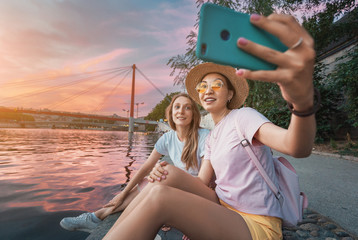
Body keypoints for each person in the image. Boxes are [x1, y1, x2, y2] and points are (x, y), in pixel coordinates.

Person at [103, 12, 318, 240]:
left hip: (255, 224)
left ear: (230, 94)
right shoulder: (213, 136)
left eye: (217, 85)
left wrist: (303, 103)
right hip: (223, 209)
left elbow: (296, 147)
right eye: (203, 86)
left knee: (159, 198)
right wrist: (175, 189)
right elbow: (202, 183)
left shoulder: (243, 116)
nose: (208, 90)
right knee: (163, 174)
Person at [59, 93, 210, 233]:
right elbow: (145, 168)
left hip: (198, 193)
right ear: (171, 113)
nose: (181, 111)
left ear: (194, 114)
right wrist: (122, 194)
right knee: (148, 180)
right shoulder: (168, 138)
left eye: (187, 107)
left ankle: (97, 219)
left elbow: (204, 182)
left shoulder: (203, 136)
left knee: (162, 176)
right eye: (177, 107)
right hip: (176, 186)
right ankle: (96, 217)